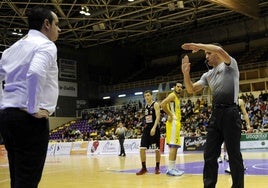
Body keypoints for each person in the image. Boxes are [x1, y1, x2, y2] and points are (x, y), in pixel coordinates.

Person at [0, 6, 60, 188]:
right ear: (46, 24)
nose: (59, 29)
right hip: (29, 120)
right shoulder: (46, 45)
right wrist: (33, 107)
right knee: (28, 181)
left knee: (17, 177)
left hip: (7, 118)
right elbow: (34, 73)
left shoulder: (12, 49)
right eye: (57, 24)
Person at [181, 43, 244, 188]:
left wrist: (197, 45)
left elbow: (219, 49)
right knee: (209, 155)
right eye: (206, 55)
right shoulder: (207, 75)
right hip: (215, 115)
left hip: (230, 112)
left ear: (215, 54)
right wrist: (186, 74)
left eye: (208, 54)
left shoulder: (230, 65)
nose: (207, 57)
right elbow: (190, 89)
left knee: (234, 156)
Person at [160, 82, 185, 176]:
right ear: (174, 87)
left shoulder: (177, 98)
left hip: (176, 123)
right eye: (178, 86)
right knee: (174, 146)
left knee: (176, 146)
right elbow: (162, 104)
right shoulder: (172, 95)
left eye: (181, 87)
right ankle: (170, 169)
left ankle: (173, 167)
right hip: (173, 122)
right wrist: (170, 114)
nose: (179, 88)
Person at [224, 97, 253, 173]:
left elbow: (245, 113)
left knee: (234, 147)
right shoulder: (223, 101)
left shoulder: (239, 101)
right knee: (231, 147)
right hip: (226, 126)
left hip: (236, 125)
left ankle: (234, 166)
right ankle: (241, 164)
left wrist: (248, 125)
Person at [136, 90, 161, 175]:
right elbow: (147, 118)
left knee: (156, 149)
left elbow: (158, 117)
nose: (146, 97)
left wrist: (154, 127)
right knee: (142, 149)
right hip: (147, 129)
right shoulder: (146, 105)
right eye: (145, 96)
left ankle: (157, 167)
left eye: (148, 95)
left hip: (154, 129)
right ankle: (144, 168)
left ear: (151, 96)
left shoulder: (156, 104)